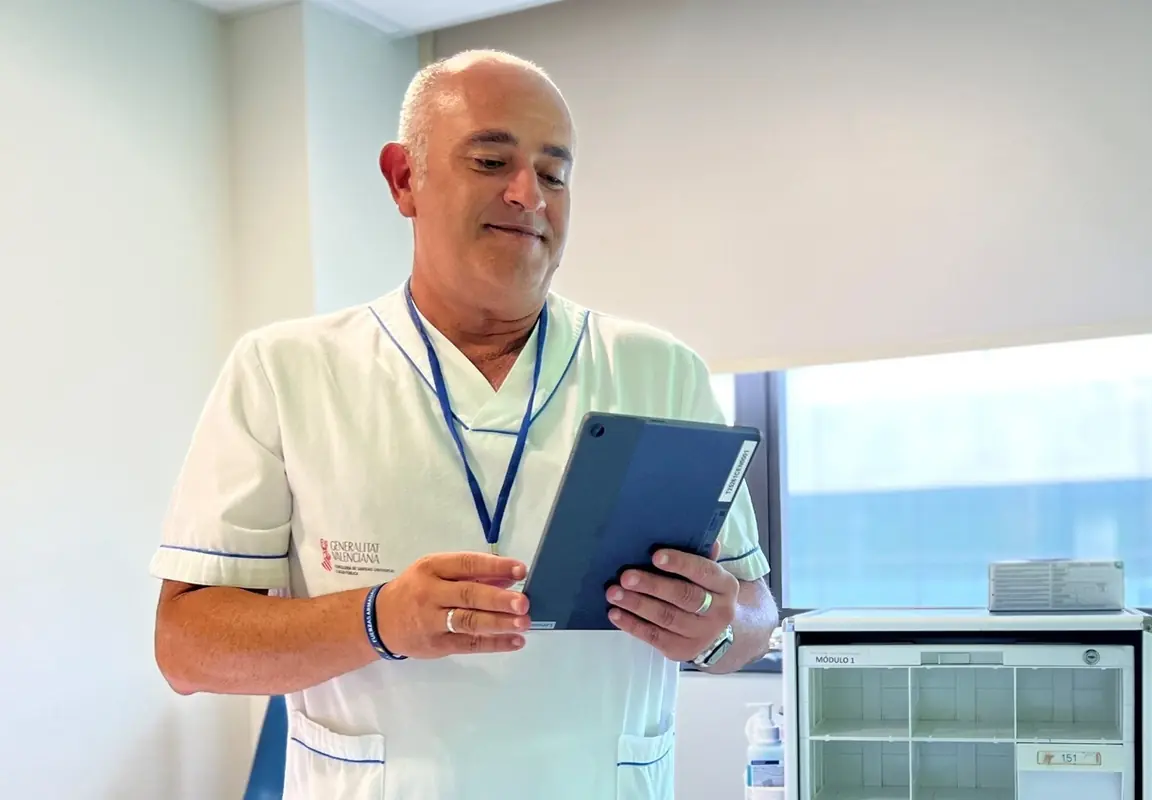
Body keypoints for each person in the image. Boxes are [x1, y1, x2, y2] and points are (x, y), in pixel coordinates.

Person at [150, 49, 778, 800]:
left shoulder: (660, 371)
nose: (528, 196)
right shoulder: (285, 371)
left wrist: (713, 623)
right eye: (491, 160)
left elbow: (755, 615)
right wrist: (377, 619)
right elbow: (185, 649)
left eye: (554, 174)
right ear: (404, 178)